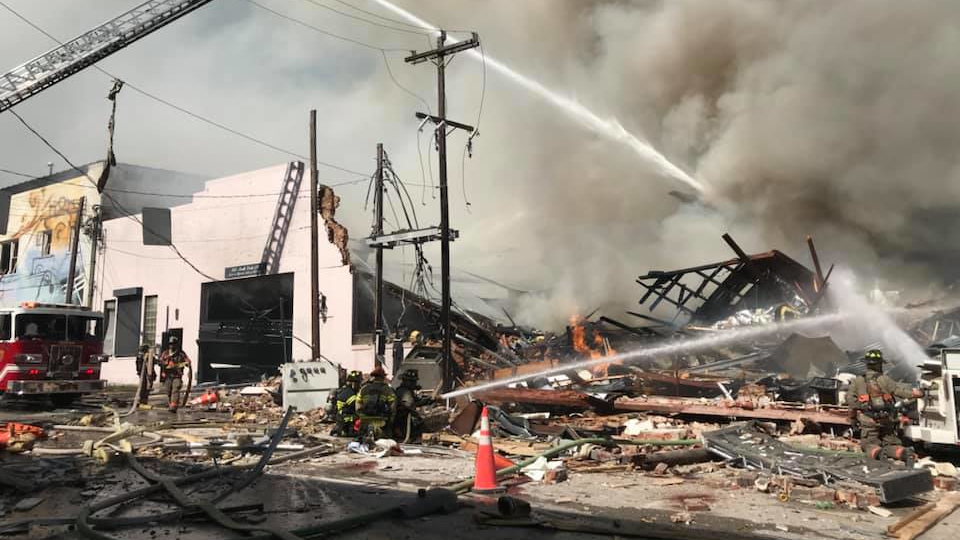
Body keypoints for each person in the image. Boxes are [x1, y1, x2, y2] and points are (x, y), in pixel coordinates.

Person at [847, 349, 925, 466]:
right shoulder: (885, 379)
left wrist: (853, 419)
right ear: (880, 364)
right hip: (887, 419)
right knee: (891, 444)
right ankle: (904, 453)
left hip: (869, 420)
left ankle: (879, 454)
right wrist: (918, 394)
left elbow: (852, 403)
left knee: (868, 445)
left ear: (867, 364)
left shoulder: (857, 381)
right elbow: (900, 391)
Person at [355, 366, 396, 442]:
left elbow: (357, 405)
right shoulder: (387, 389)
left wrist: (361, 416)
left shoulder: (364, 388)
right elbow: (393, 406)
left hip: (365, 423)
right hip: (381, 421)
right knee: (384, 443)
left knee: (363, 441)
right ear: (383, 377)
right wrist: (391, 419)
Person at [393, 369, 430, 441]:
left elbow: (417, 401)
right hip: (401, 422)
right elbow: (409, 405)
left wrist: (430, 400)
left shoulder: (407, 391)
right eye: (413, 382)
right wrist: (417, 414)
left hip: (404, 423)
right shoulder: (404, 392)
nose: (415, 384)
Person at [158, 337, 190, 413]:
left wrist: (187, 362)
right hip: (168, 375)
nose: (171, 346)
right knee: (168, 390)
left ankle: (174, 406)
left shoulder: (181, 354)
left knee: (175, 389)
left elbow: (187, 362)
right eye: (170, 344)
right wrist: (165, 363)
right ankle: (171, 403)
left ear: (176, 344)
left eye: (173, 344)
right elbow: (160, 362)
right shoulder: (165, 353)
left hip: (177, 376)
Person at [331, 370, 362, 436]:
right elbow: (357, 408)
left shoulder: (345, 390)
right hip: (346, 419)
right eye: (358, 383)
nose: (359, 385)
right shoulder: (349, 394)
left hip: (342, 418)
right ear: (353, 383)